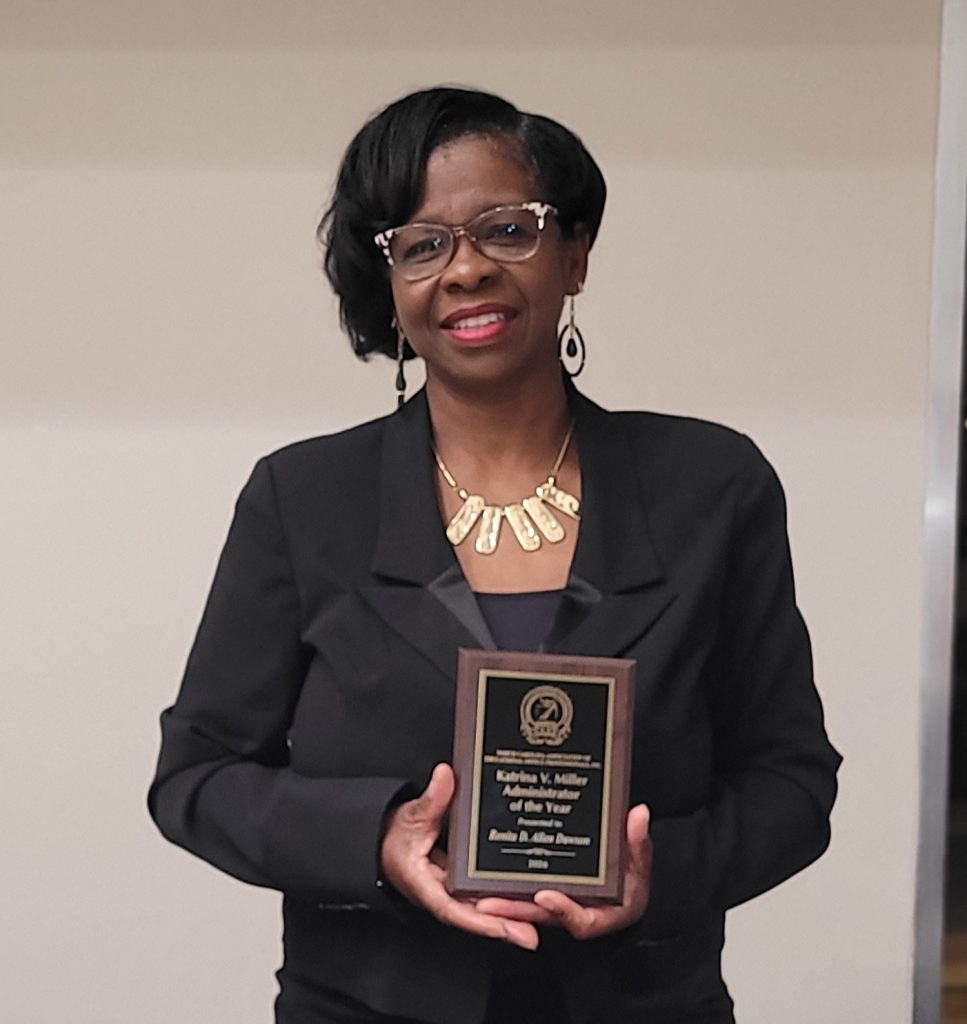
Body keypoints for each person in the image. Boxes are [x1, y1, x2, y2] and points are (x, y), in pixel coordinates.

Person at [148, 86, 841, 1024]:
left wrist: (655, 875)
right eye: (422, 245)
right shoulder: (303, 499)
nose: (465, 269)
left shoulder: (710, 485)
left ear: (575, 254)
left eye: (505, 229)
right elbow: (198, 777)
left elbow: (790, 783)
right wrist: (376, 838)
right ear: (389, 287)